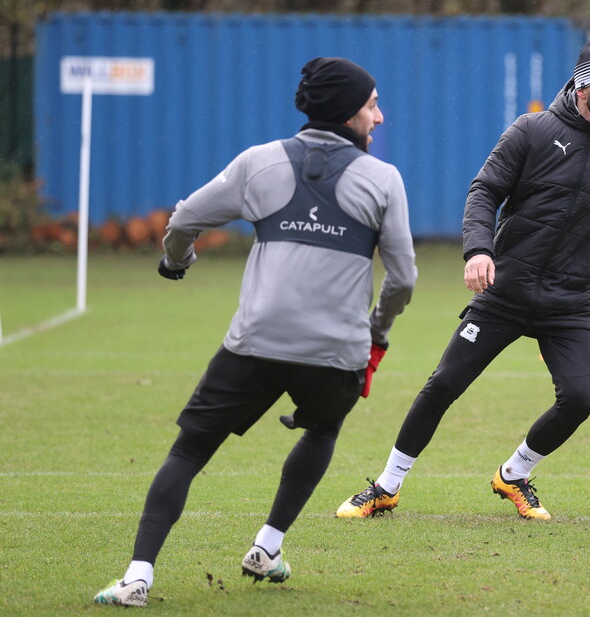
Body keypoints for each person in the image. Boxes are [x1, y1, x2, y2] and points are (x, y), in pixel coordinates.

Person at [93, 56, 417, 607]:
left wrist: (177, 261)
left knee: (189, 452)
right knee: (323, 429)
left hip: (255, 342)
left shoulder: (258, 162)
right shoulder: (383, 179)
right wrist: (376, 333)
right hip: (336, 350)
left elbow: (184, 219)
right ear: (348, 113)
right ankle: (267, 547)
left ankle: (137, 579)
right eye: (372, 105)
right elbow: (404, 278)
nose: (379, 117)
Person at [335, 40, 590, 522]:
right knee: (444, 384)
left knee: (580, 399)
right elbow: (484, 191)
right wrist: (478, 250)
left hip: (572, 301)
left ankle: (514, 474)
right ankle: (386, 486)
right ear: (584, 87)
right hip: (506, 290)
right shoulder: (533, 131)